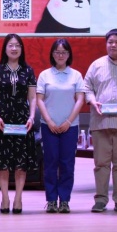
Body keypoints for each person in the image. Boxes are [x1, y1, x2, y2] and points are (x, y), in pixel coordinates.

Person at [84, 28, 117, 214]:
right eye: (110, 42)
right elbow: (87, 88)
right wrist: (92, 101)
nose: (113, 45)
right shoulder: (96, 65)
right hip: (101, 123)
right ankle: (100, 200)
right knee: (101, 165)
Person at [0, 33, 37, 214]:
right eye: (11, 45)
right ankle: (5, 198)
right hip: (2, 121)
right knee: (3, 163)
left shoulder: (28, 71)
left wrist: (31, 117)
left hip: (23, 121)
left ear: (21, 49)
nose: (14, 48)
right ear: (5, 48)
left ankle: (18, 198)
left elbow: (32, 97)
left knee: (21, 163)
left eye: (17, 45)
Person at [36, 39, 84, 214]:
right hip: (48, 126)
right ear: (52, 54)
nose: (60, 55)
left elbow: (80, 99)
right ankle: (51, 200)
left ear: (69, 54)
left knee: (67, 164)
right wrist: (49, 121)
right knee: (50, 163)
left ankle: (64, 200)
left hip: (70, 127)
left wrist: (69, 121)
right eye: (57, 52)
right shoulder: (45, 75)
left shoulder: (76, 75)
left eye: (64, 52)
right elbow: (39, 100)